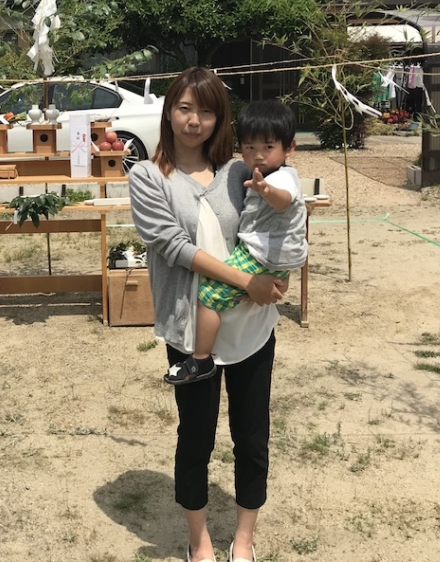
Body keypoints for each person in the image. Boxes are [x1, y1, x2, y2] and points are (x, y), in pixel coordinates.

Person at [128, 67, 286, 562]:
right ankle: (199, 540)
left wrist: (277, 272)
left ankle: (243, 538)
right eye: (185, 108)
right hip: (192, 327)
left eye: (208, 110)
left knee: (252, 434)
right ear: (169, 111)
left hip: (253, 326)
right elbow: (172, 247)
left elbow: (273, 222)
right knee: (195, 435)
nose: (195, 120)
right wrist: (248, 283)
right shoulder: (147, 176)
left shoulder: (239, 172)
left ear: (221, 119)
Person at [164, 99, 307, 385]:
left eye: (268, 147)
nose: (257, 156)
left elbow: (284, 200)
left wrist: (266, 190)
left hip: (260, 255)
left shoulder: (282, 178)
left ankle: (201, 360)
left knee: (208, 297)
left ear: (289, 148)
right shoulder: (251, 173)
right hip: (270, 256)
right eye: (249, 148)